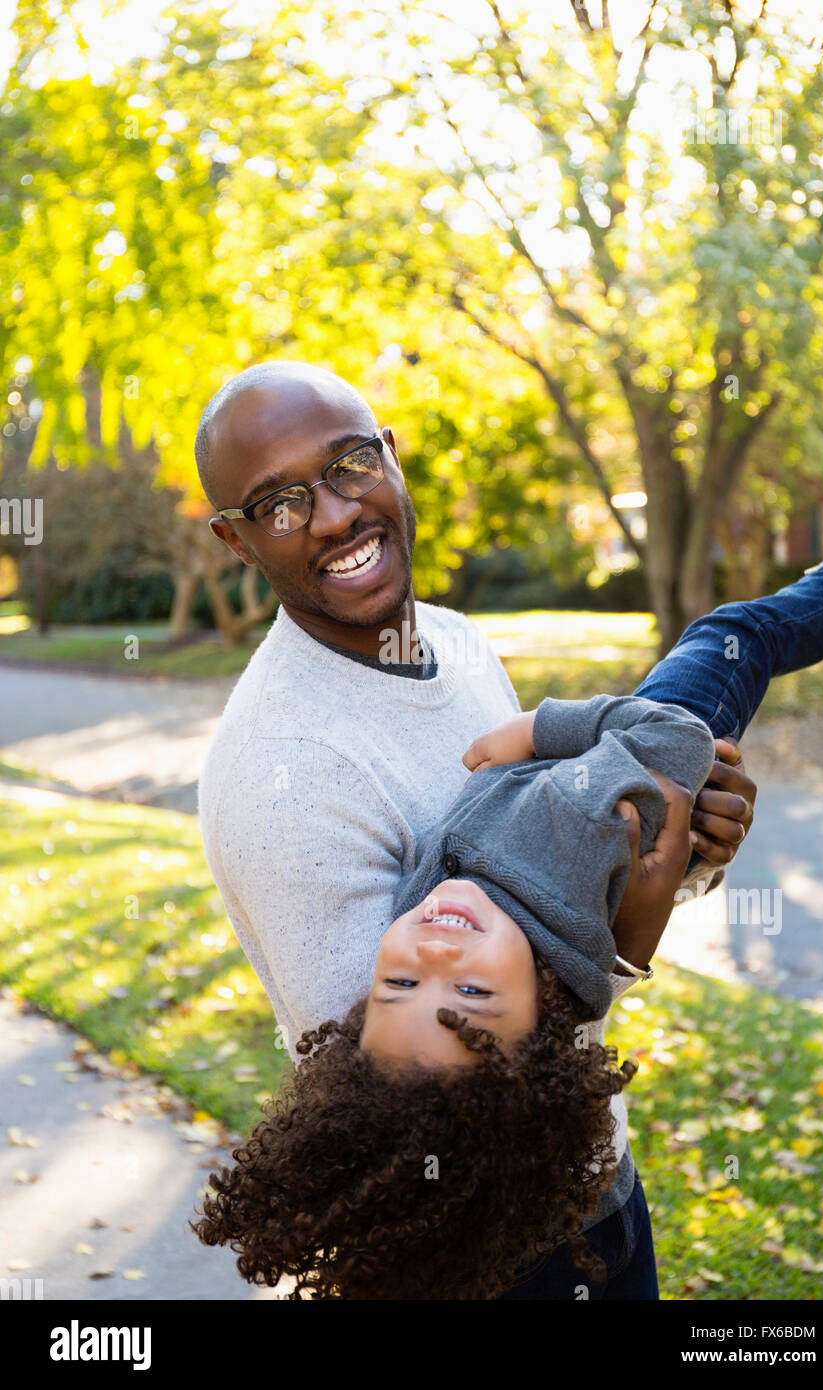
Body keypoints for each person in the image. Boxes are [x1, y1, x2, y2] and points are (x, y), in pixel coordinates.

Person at [194, 359, 757, 1290]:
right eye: (281, 503)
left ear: (393, 459)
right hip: (482, 1257)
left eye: (347, 466)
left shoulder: (456, 641)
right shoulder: (280, 776)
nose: (333, 516)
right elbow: (407, 1103)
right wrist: (619, 954)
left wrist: (689, 849)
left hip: (598, 1183)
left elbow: (563, 857)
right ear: (235, 540)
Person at [191, 530, 823, 1300]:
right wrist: (539, 731)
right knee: (738, 634)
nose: (434, 956)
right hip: (638, 749)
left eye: (399, 985)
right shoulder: (553, 871)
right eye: (471, 998)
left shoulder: (435, 912)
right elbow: (670, 746)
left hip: (586, 1187)